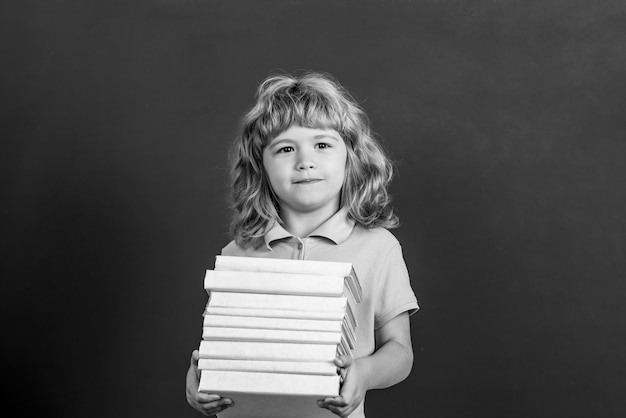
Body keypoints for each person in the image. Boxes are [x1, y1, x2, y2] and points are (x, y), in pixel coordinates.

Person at [185, 71, 419, 418]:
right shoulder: (238, 253)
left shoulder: (378, 247)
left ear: (350, 157)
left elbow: (400, 351)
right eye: (285, 149)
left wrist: (364, 372)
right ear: (260, 165)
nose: (304, 161)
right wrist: (197, 379)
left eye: (322, 145)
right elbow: (222, 348)